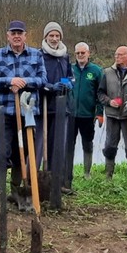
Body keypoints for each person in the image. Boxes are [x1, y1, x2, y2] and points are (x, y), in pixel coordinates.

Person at [0, 20, 48, 201]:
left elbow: (42, 80)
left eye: (19, 33)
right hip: (5, 113)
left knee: (22, 152)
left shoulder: (36, 55)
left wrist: (24, 82)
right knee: (2, 152)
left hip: (27, 113)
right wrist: (9, 81)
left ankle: (15, 191)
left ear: (25, 35)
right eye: (13, 33)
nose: (16, 36)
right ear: (8, 35)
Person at [64, 42, 103, 187]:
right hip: (71, 114)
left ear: (88, 53)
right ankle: (68, 171)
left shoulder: (97, 71)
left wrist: (99, 113)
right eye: (78, 53)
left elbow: (100, 93)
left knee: (87, 143)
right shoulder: (69, 69)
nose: (80, 55)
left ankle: (87, 172)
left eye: (83, 53)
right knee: (69, 144)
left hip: (88, 114)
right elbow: (64, 88)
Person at [97, 46, 127, 181]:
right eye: (116, 55)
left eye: (120, 55)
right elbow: (100, 93)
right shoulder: (107, 72)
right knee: (110, 146)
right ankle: (108, 175)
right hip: (112, 115)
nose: (117, 57)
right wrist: (109, 102)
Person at [40, 22, 73, 175]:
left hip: (61, 106)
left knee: (59, 145)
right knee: (41, 144)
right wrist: (51, 86)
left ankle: (56, 179)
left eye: (57, 36)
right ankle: (37, 177)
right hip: (44, 105)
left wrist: (68, 84)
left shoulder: (65, 56)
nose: (54, 39)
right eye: (51, 35)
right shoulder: (39, 55)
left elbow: (70, 76)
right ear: (46, 37)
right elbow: (37, 80)